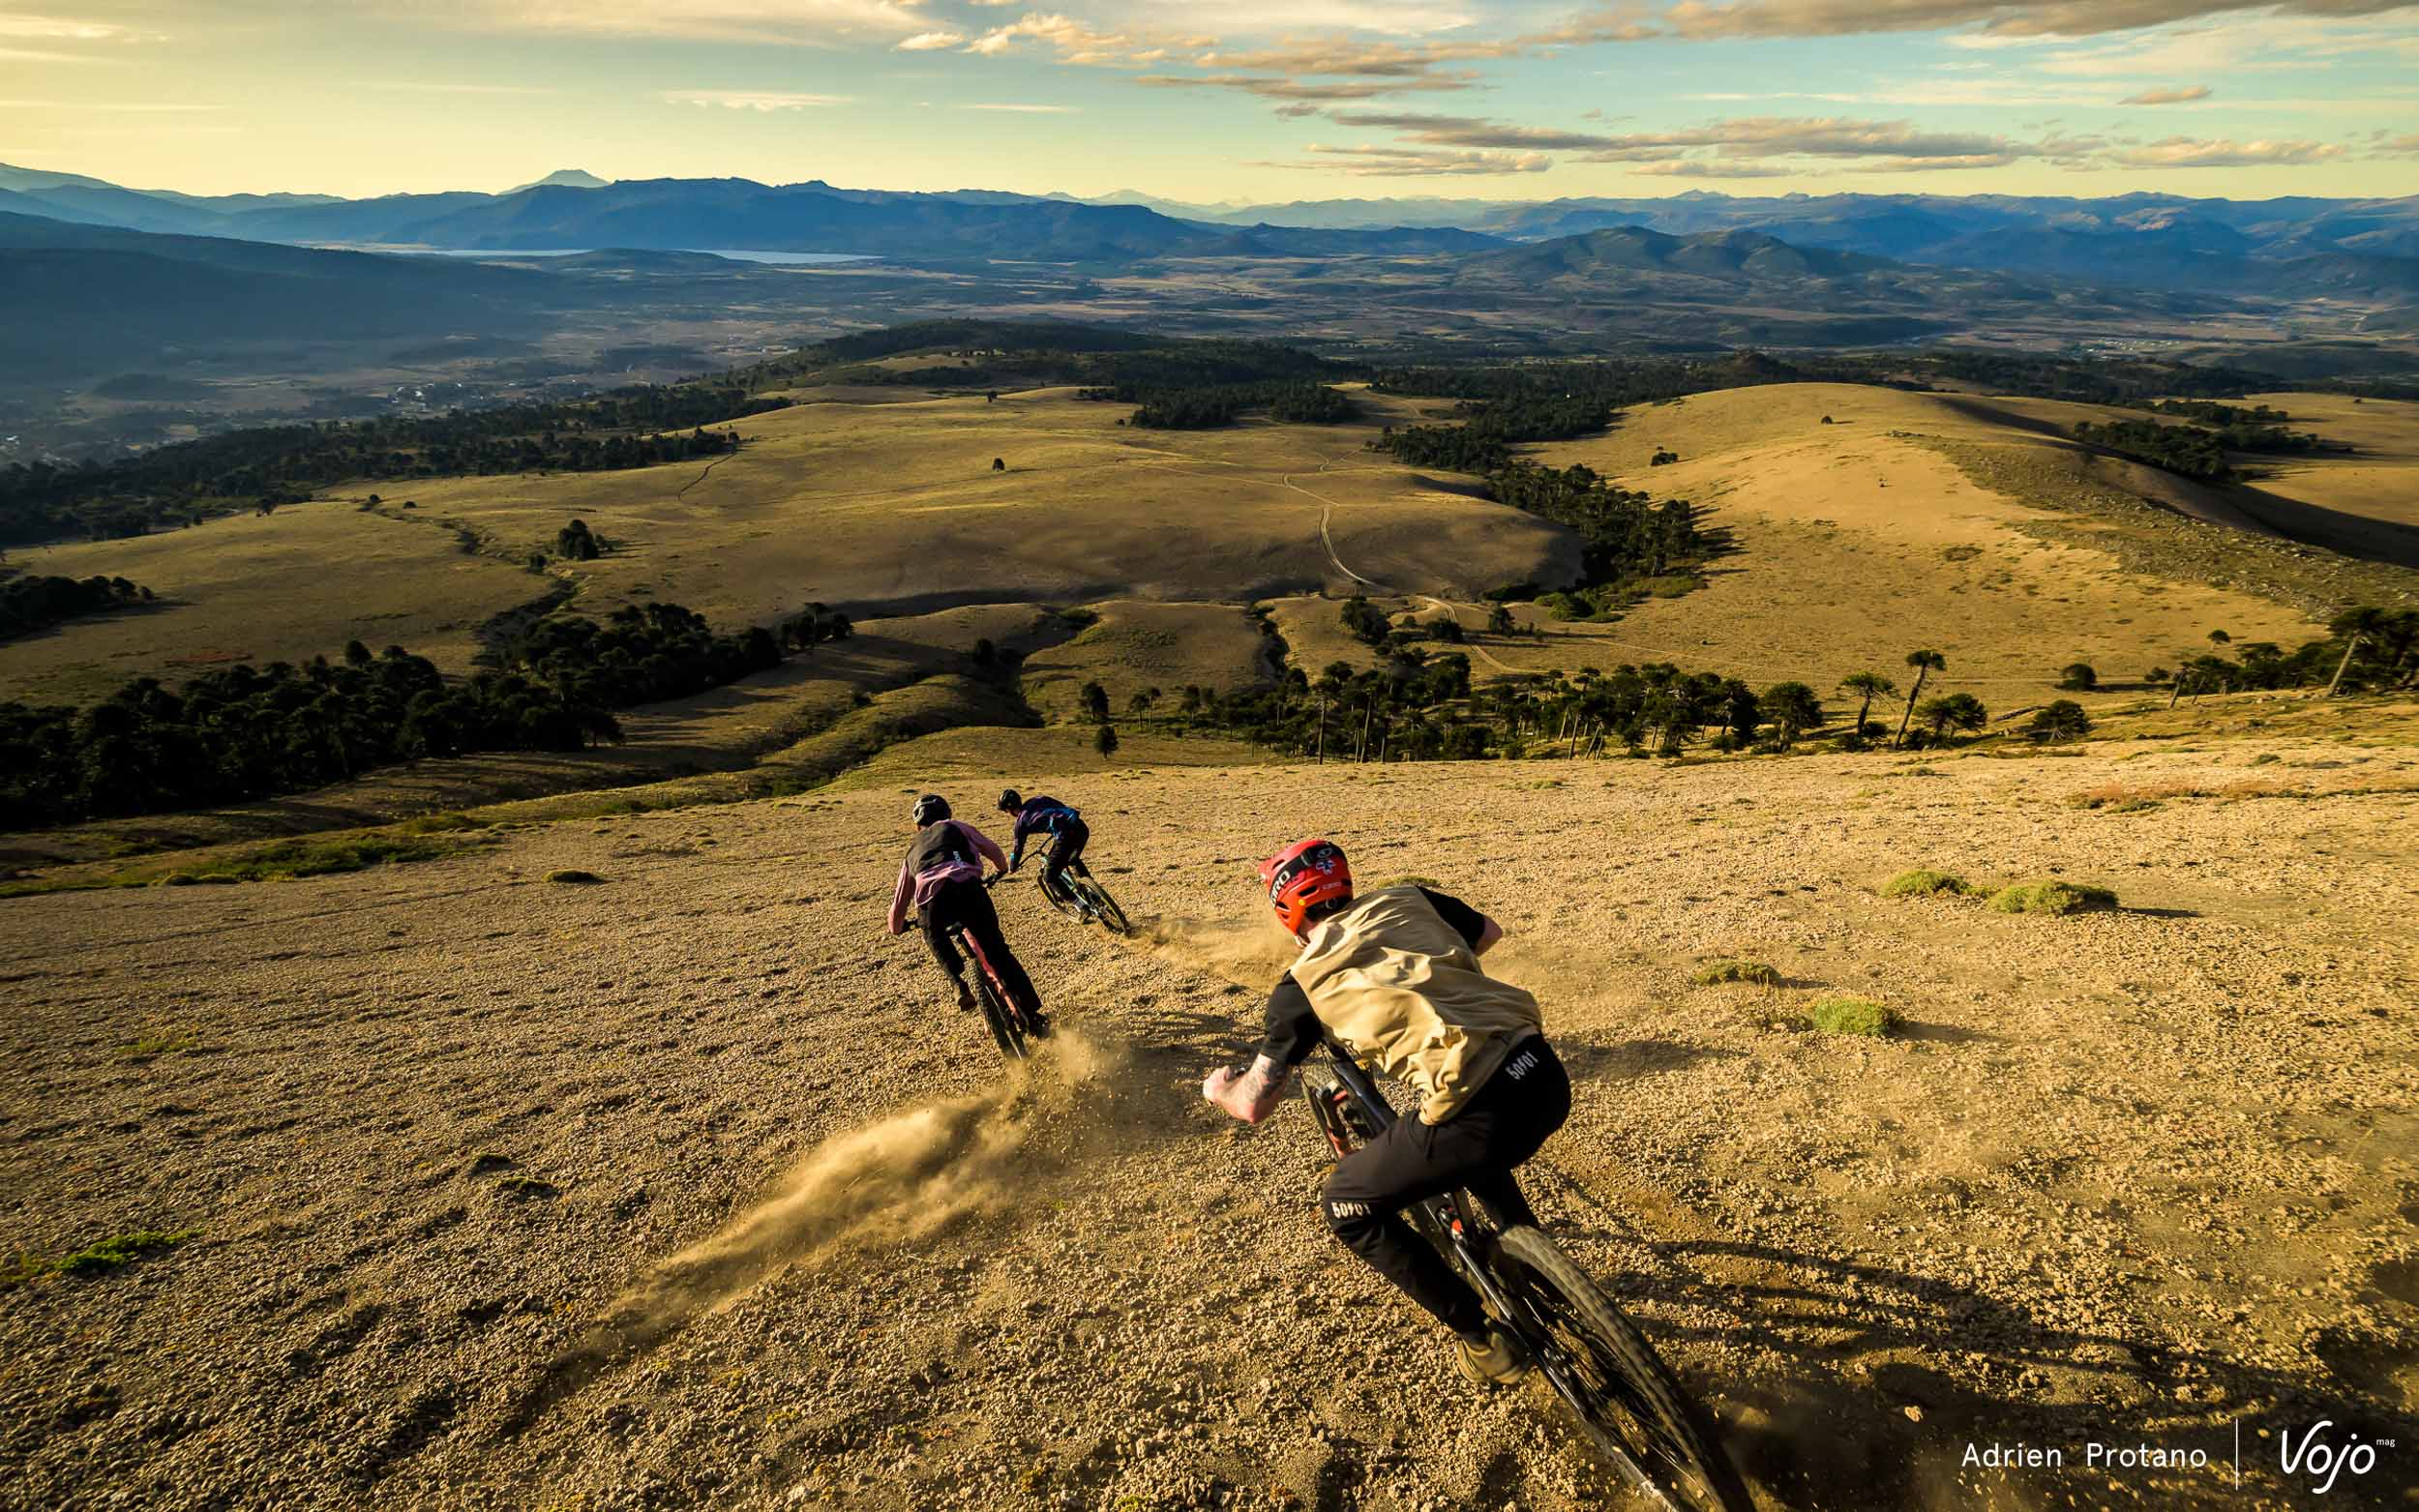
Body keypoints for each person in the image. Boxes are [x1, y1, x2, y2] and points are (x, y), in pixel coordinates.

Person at [1201, 839, 1569, 1387]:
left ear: (1286, 912)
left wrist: (1220, 1090)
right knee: (1457, 1135)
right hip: (1541, 1073)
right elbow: (1488, 934)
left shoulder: (1300, 985)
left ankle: (1483, 1340)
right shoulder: (1407, 899)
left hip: (1478, 1115)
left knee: (1346, 1205)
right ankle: (1543, 1271)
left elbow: (1254, 1103)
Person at [886, 794, 1048, 1037]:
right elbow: (992, 850)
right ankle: (1032, 1014)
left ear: (918, 824)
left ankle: (958, 983)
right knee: (998, 952)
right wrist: (1001, 869)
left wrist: (896, 927)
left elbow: (900, 901)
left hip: (933, 904)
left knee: (933, 935)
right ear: (946, 813)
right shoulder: (956, 826)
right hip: (969, 891)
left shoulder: (912, 851)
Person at [997, 788, 1090, 904]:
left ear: (1009, 810)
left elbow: (1017, 849)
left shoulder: (1020, 824)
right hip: (1080, 827)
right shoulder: (1037, 799)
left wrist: (1013, 866)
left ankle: (1080, 906)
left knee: (1050, 877)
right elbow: (1060, 808)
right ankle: (1093, 892)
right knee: (1072, 859)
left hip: (1065, 835)